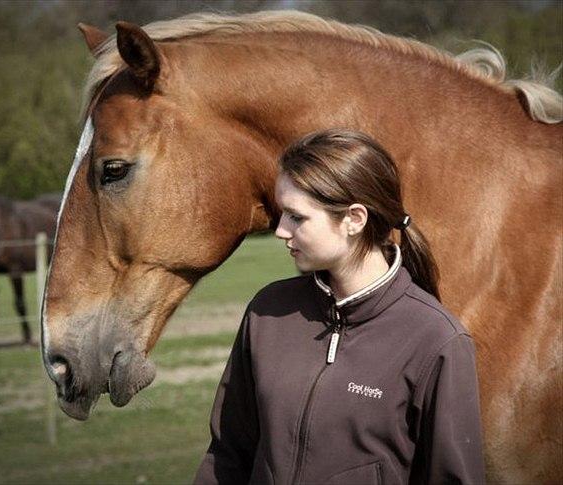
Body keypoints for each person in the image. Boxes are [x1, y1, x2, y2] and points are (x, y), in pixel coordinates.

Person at [193, 129, 485, 485]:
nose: (281, 230)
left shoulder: (437, 340)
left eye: (296, 217)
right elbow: (227, 454)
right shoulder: (267, 311)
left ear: (354, 219)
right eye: (281, 213)